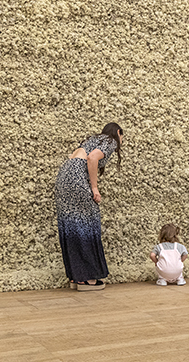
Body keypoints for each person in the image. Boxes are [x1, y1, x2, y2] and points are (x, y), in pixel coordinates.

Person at [55, 123, 123, 291]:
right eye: (122, 136)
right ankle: (87, 278)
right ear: (118, 132)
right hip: (77, 180)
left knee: (71, 225)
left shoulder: (91, 140)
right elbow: (93, 158)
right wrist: (94, 187)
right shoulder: (110, 140)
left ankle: (76, 276)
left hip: (63, 179)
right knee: (88, 223)